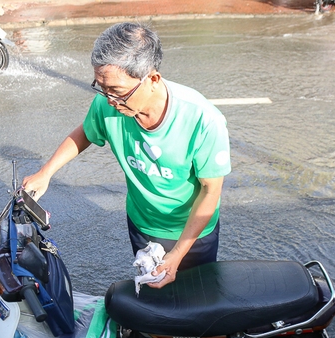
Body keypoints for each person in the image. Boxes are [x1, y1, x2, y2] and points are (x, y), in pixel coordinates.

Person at [22, 22, 231, 288]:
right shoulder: (109, 104)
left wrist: (178, 254)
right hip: (142, 224)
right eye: (101, 87)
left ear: (152, 79)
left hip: (192, 234)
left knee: (195, 303)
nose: (110, 100)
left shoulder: (203, 120)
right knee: (153, 297)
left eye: (117, 91)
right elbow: (85, 132)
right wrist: (46, 173)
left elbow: (210, 191)